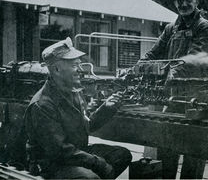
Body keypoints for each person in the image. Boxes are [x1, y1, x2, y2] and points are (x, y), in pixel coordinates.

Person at [24, 37, 132, 179]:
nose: (80, 70)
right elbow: (59, 151)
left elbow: (87, 125)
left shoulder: (74, 92)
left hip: (75, 152)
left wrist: (107, 108)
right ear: (56, 69)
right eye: (75, 65)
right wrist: (97, 163)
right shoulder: (42, 104)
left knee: (121, 155)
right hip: (50, 164)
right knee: (91, 177)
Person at [141, 0, 208, 178]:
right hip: (174, 93)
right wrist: (138, 66)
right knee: (167, 138)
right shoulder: (171, 28)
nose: (183, 4)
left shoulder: (204, 26)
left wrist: (171, 73)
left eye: (187, 0)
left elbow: (193, 58)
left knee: (194, 143)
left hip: (198, 93)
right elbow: (154, 52)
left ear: (196, 1)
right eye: (179, 1)